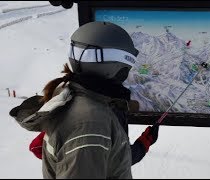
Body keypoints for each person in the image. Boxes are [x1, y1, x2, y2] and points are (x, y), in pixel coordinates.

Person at [9, 21, 159, 179]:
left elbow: (110, 160)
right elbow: (91, 146)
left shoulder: (70, 96)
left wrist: (142, 145)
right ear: (115, 67)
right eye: (126, 67)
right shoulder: (91, 125)